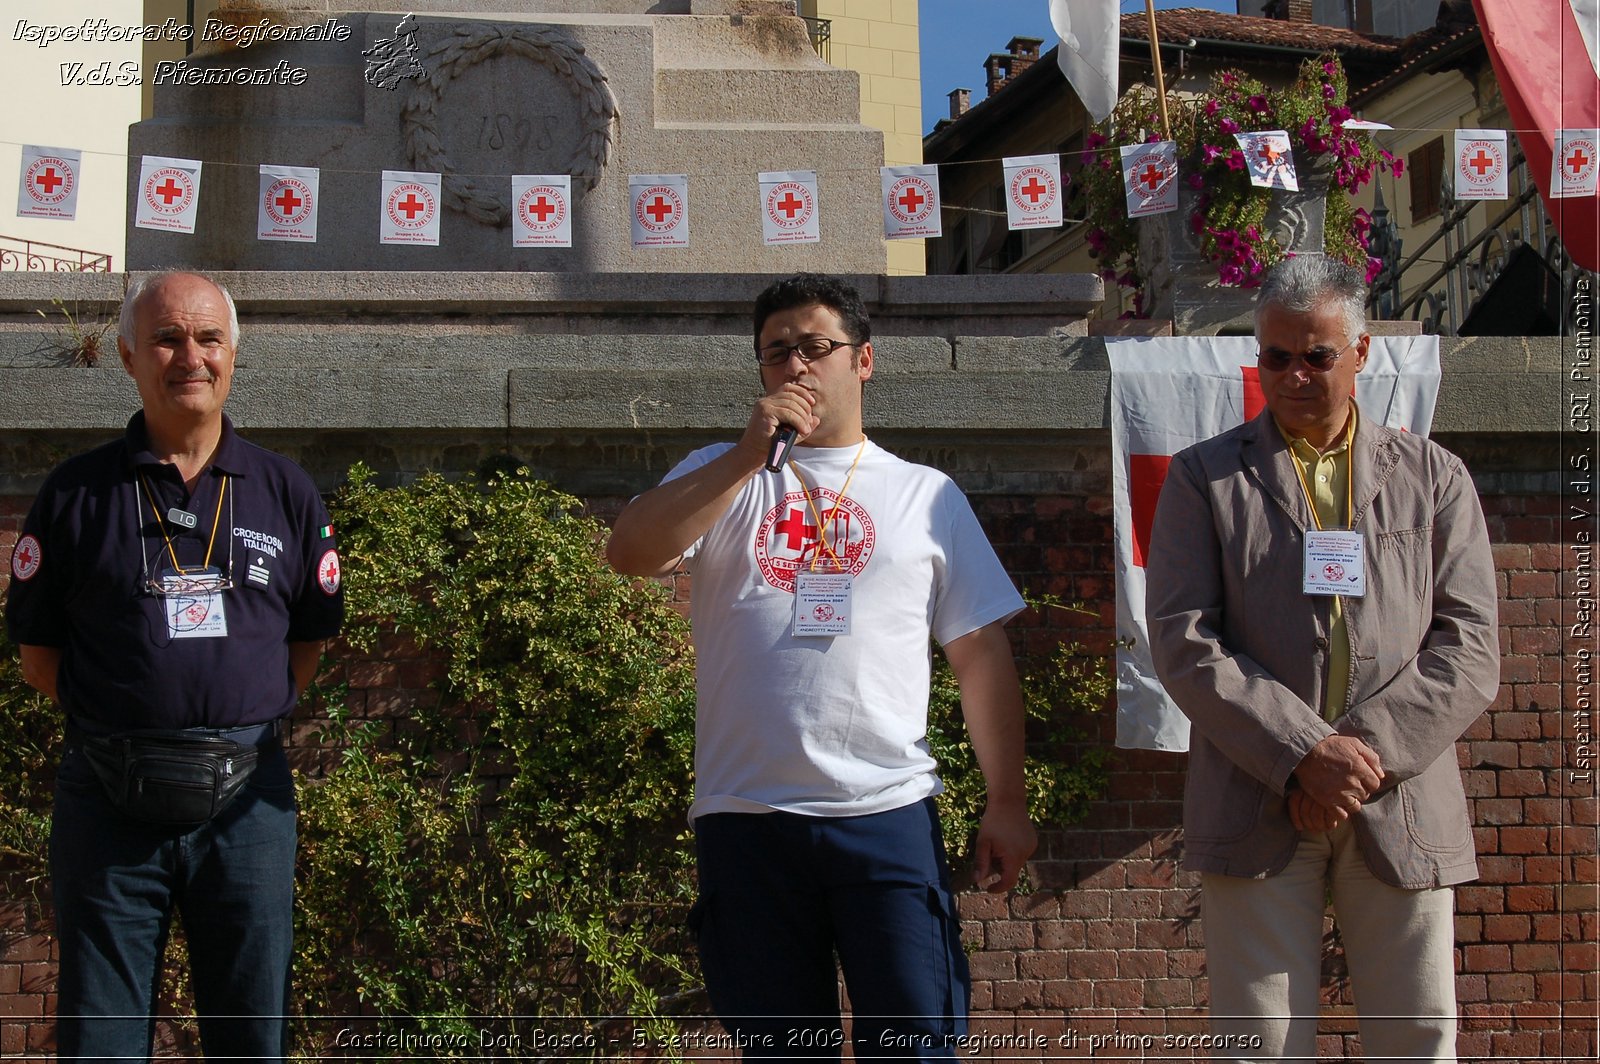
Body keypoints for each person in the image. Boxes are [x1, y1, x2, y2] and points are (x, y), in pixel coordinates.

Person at [607, 273, 1036, 1059]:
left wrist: (1006, 800)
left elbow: (979, 656)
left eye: (815, 346)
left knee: (914, 1044)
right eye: (777, 354)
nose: (797, 367)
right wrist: (745, 456)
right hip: (747, 819)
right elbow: (630, 552)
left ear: (863, 360)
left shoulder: (923, 495)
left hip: (886, 813)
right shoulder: (722, 472)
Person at [1145, 255, 1500, 1062]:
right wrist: (1305, 754)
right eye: (1277, 356)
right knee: (1260, 1045)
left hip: (1401, 795)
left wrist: (1357, 757)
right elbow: (1183, 638)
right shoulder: (1206, 477)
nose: (1296, 374)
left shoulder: (1434, 477)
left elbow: (1471, 645)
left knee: (1415, 1041)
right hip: (1255, 793)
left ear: (1364, 352)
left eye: (1318, 355)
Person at [5, 272, 344, 1061]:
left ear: (234, 355)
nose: (189, 356)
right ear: (128, 357)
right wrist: (135, 724)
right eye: (166, 338)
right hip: (108, 802)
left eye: (208, 339)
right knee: (102, 1040)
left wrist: (233, 722)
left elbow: (309, 643)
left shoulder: (285, 491)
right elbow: (38, 657)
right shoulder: (76, 495)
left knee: (249, 1034)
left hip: (248, 804)